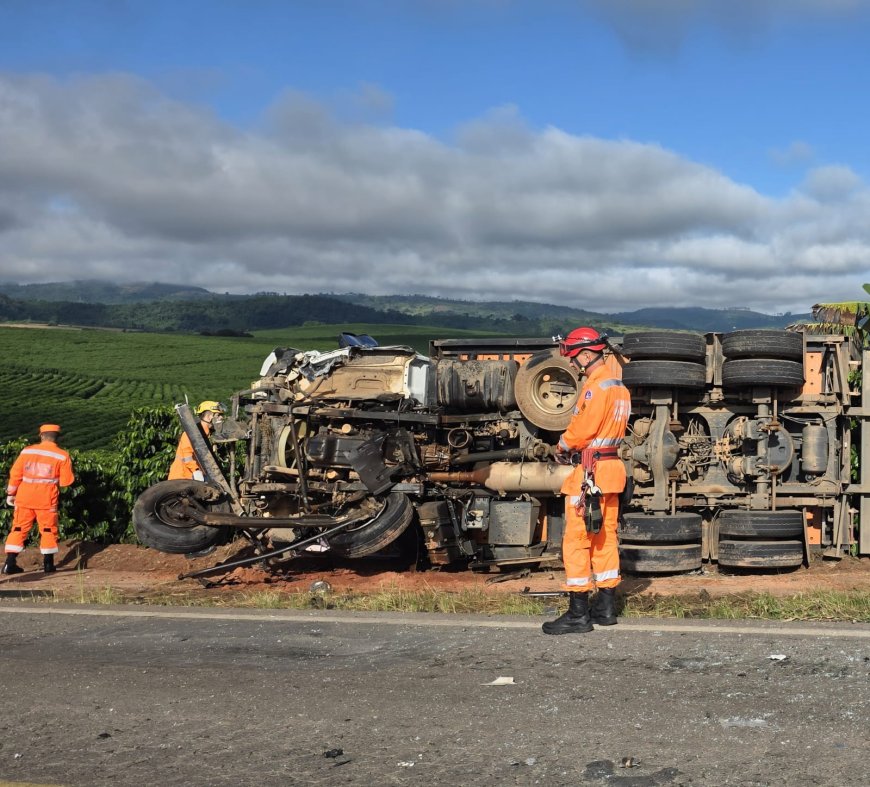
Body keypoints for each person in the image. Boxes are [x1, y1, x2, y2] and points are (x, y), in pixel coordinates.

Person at [543, 327, 631, 635]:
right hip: (611, 472)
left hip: (589, 474)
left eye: (573, 358)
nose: (574, 365)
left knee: (577, 542)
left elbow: (583, 428)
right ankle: (605, 609)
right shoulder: (619, 386)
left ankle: (578, 614)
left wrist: (562, 445)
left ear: (585, 354)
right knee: (605, 538)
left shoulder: (596, 387)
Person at [3, 424, 75, 575]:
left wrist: (11, 493)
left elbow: (15, 474)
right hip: (46, 500)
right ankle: (48, 565)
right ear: (57, 438)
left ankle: (9, 564)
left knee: (18, 528)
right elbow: (66, 482)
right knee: (48, 530)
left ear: (41, 436)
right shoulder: (62, 455)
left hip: (24, 498)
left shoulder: (27, 451)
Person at [168, 401, 225, 481]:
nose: (221, 418)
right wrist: (196, 471)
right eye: (218, 415)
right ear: (209, 416)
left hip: (192, 477)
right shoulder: (192, 433)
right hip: (182, 477)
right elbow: (187, 456)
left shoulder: (206, 433)